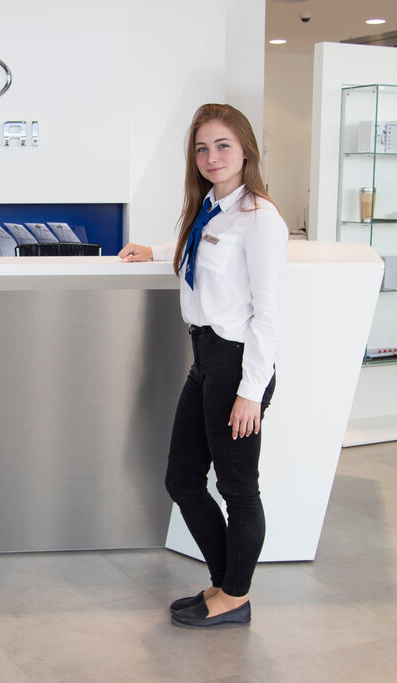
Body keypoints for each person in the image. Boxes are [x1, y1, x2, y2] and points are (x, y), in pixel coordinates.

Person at [119, 103, 287, 628]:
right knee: (183, 479)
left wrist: (251, 392)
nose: (212, 157)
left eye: (223, 145)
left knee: (237, 489)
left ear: (245, 150)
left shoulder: (260, 218)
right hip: (205, 359)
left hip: (237, 365)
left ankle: (234, 596)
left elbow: (268, 314)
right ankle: (225, 583)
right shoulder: (211, 209)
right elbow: (201, 248)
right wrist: (153, 250)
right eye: (202, 148)